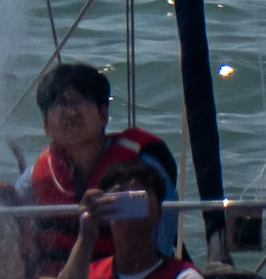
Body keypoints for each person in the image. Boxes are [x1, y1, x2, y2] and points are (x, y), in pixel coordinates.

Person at [15, 64, 175, 277]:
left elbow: (163, 239)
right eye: (59, 104)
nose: (69, 112)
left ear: (103, 114)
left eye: (79, 101)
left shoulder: (144, 168)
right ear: (46, 123)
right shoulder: (33, 179)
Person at [54, 159, 200, 279]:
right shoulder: (89, 274)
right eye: (120, 199)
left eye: (138, 198)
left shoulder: (184, 276)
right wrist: (86, 235)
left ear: (159, 213)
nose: (130, 211)